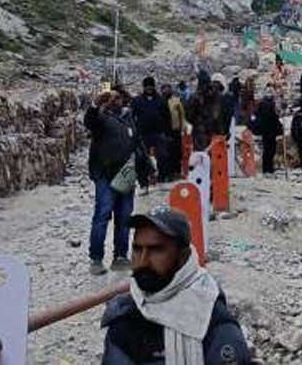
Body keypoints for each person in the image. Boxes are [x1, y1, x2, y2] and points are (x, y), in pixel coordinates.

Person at [101, 206, 251, 364]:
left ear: (183, 256)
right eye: (137, 249)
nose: (143, 261)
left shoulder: (209, 315)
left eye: (156, 250)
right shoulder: (126, 316)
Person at [86, 91, 145, 276]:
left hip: (126, 173)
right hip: (105, 173)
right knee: (102, 214)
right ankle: (96, 259)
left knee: (124, 216)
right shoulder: (101, 117)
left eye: (118, 98)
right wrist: (96, 104)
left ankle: (120, 256)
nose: (115, 101)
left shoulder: (128, 118)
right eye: (111, 98)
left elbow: (136, 143)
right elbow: (90, 121)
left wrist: (146, 168)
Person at [132, 77, 171, 184]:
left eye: (151, 86)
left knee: (163, 156)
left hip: (158, 133)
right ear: (144, 87)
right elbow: (132, 117)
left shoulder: (161, 100)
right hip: (142, 134)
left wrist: (167, 133)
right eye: (147, 86)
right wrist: (134, 132)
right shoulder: (137, 100)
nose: (149, 88)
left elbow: (167, 117)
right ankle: (143, 182)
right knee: (141, 158)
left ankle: (162, 179)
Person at [186, 75, 223, 151]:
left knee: (201, 156)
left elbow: (189, 116)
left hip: (201, 131)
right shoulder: (216, 95)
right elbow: (219, 115)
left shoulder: (196, 96)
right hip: (211, 131)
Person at [254, 94, 283, 175]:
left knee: (266, 151)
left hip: (264, 132)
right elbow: (276, 122)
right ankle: (269, 168)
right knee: (271, 151)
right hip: (271, 133)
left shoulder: (261, 110)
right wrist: (280, 130)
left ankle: (266, 169)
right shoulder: (271, 111)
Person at [164, 84, 187, 182]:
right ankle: (167, 172)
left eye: (168, 89)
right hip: (165, 130)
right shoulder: (160, 101)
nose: (167, 91)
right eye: (165, 90)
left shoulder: (176, 101)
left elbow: (182, 114)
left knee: (177, 151)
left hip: (175, 130)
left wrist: (183, 127)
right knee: (166, 152)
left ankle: (177, 171)